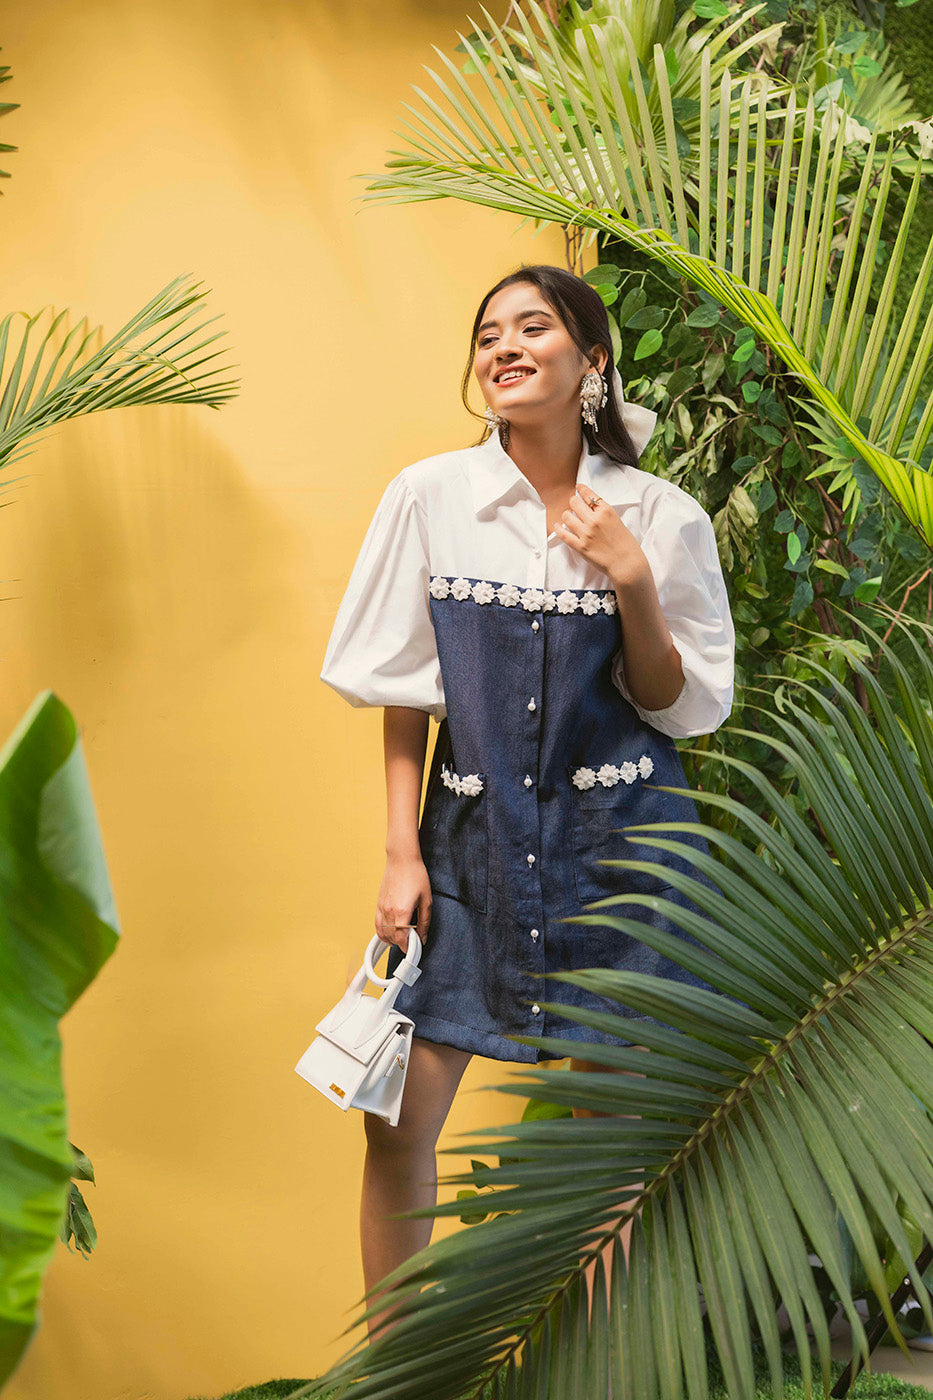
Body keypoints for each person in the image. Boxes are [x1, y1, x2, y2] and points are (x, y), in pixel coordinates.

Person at [320, 263, 735, 1337]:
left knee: (606, 1139)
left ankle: (596, 1366)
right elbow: (407, 688)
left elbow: (670, 703)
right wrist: (400, 849)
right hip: (468, 840)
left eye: (533, 327)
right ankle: (396, 1364)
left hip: (625, 849)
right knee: (398, 1125)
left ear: (591, 360)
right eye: (488, 333)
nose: (503, 346)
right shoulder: (430, 497)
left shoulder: (661, 514)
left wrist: (631, 576)